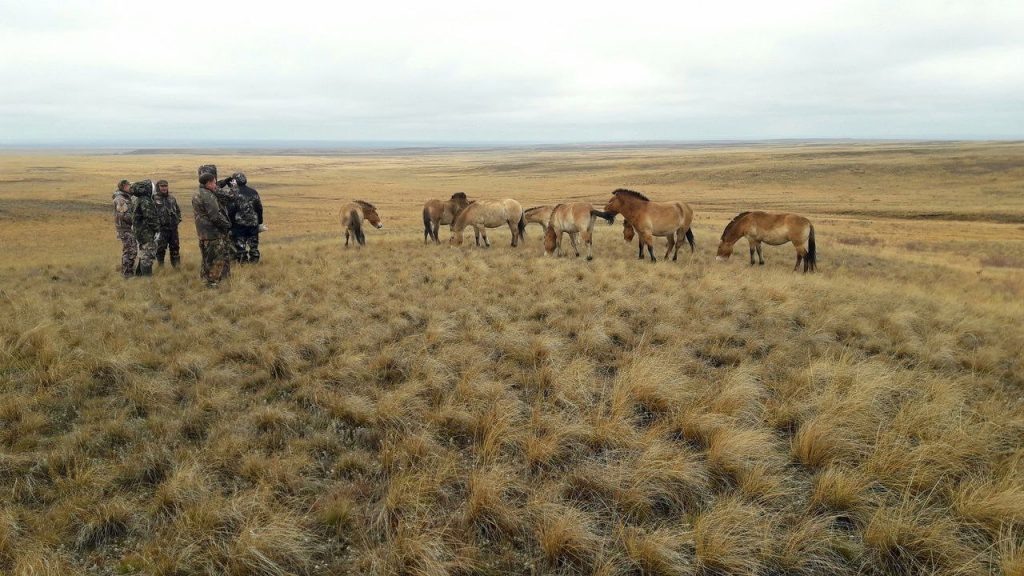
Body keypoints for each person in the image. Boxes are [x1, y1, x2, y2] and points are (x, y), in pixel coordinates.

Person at [192, 172, 233, 287]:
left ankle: (205, 280)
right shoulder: (208, 196)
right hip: (213, 233)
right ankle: (212, 283)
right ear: (209, 183)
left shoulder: (198, 193)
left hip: (203, 233)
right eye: (214, 183)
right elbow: (215, 217)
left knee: (207, 259)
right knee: (216, 260)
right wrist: (227, 225)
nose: (216, 185)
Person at [228, 172, 263, 263]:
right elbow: (259, 208)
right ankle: (254, 262)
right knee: (253, 245)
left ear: (235, 181)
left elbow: (231, 209)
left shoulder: (233, 193)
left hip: (240, 224)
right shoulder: (253, 192)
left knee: (240, 245)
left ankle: (243, 263)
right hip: (253, 223)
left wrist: (230, 223)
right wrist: (259, 221)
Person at [130, 179, 160, 276]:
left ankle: (139, 276)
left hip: (140, 232)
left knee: (143, 254)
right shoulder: (146, 200)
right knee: (147, 256)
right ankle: (147, 279)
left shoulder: (137, 199)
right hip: (146, 233)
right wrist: (157, 229)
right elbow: (150, 217)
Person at [153, 179, 182, 268]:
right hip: (161, 229)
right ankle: (161, 268)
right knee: (160, 249)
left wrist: (177, 220)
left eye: (165, 186)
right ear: (158, 187)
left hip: (173, 229)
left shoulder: (172, 198)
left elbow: (177, 210)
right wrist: (156, 225)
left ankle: (177, 268)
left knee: (175, 248)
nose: (164, 188)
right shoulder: (154, 199)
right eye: (162, 186)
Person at [112, 179, 137, 278]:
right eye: (128, 185)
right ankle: (127, 274)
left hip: (128, 228)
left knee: (131, 250)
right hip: (125, 228)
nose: (130, 187)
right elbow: (124, 215)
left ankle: (128, 272)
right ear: (123, 187)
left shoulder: (127, 197)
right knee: (130, 250)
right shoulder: (120, 199)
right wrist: (137, 219)